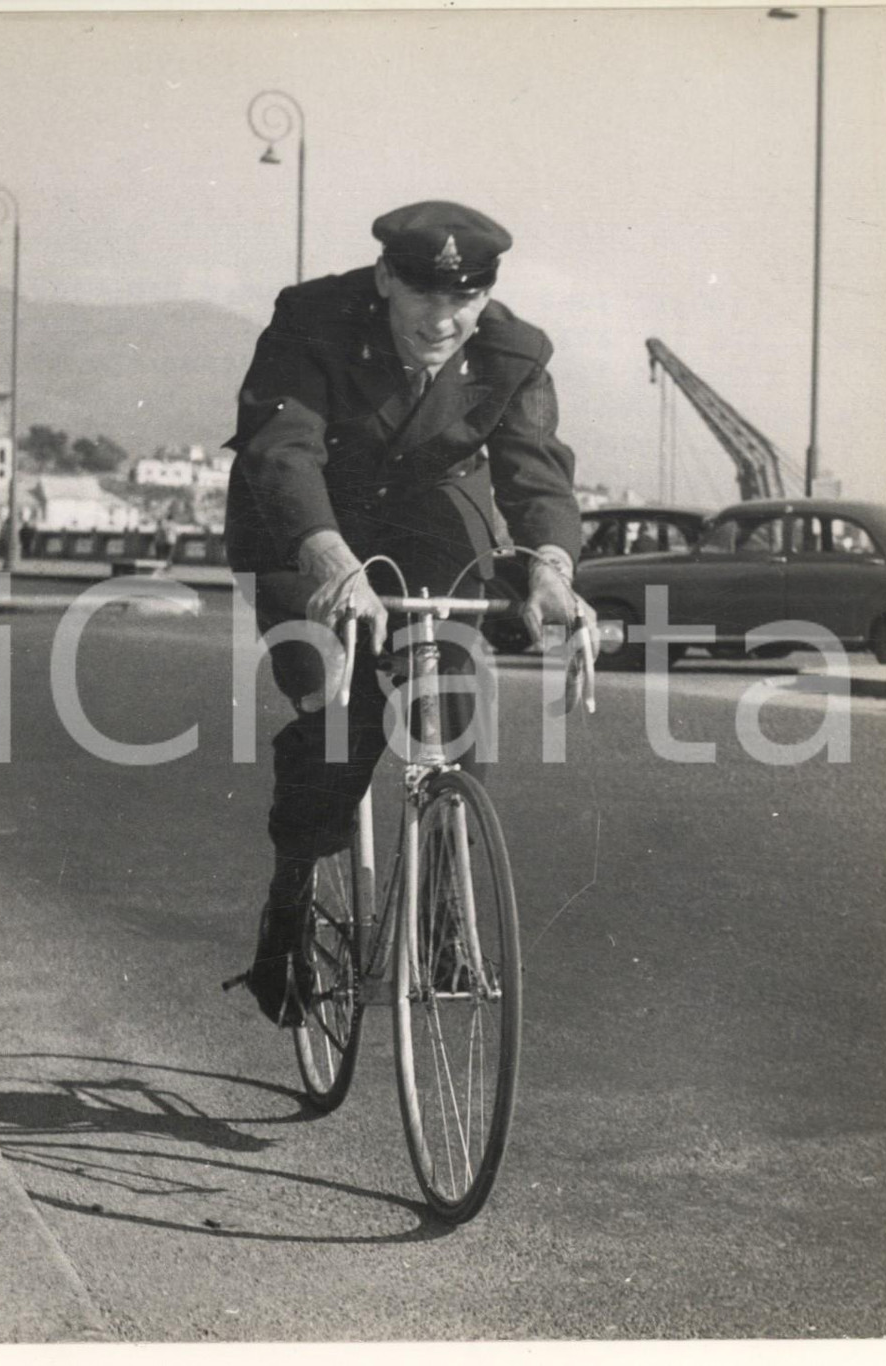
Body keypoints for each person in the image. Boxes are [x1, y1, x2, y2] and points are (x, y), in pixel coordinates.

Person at [224, 200, 596, 1025]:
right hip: (302, 522)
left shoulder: (514, 350)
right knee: (339, 704)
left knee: (457, 690)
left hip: (425, 516)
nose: (444, 319)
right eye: (425, 295)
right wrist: (329, 557)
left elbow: (537, 476)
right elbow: (282, 449)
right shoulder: (313, 318)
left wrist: (551, 570)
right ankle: (290, 892)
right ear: (386, 277)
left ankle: (444, 918)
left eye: (463, 299)